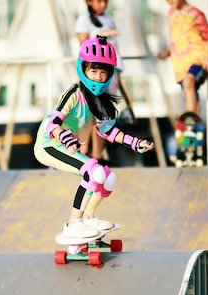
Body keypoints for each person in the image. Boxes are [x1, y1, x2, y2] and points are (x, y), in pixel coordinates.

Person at [34, 36, 154, 253]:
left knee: (108, 178)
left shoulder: (101, 103)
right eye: (94, 71)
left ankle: (87, 219)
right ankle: (74, 225)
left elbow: (108, 131)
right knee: (93, 172)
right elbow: (53, 122)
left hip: (64, 145)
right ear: (83, 69)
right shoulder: (74, 93)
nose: (98, 77)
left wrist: (135, 143)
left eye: (103, 72)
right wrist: (64, 137)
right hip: (48, 144)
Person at [75, 0, 124, 163]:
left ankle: (98, 155)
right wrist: (101, 36)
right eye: (98, 1)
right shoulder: (84, 19)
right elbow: (84, 46)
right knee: (88, 114)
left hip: (109, 73)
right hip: (93, 76)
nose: (102, 4)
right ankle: (83, 151)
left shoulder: (109, 18)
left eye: (105, 1)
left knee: (105, 115)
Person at [157, 0, 208, 116]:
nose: (169, 2)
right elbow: (176, 38)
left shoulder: (195, 13)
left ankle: (189, 120)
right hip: (180, 64)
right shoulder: (172, 13)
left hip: (198, 59)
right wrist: (168, 52)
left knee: (188, 81)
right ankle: (194, 126)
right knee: (189, 91)